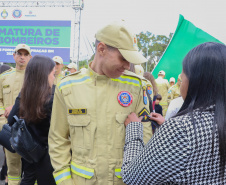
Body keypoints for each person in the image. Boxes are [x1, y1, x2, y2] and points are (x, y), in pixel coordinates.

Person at [48, 21, 153, 185]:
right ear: (101, 49)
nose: (128, 65)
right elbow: (58, 139)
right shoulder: (68, 87)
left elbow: (146, 142)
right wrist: (64, 181)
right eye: (123, 58)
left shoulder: (138, 87)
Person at [121, 42, 226, 184]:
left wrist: (134, 130)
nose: (180, 83)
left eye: (182, 79)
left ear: (196, 82)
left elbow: (133, 178)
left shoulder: (182, 129)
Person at [8, 55, 56, 185]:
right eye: (53, 74)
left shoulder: (25, 93)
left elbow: (11, 121)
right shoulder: (54, 96)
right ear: (44, 74)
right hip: (49, 155)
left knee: (28, 179)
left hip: (28, 149)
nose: (54, 78)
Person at [0, 44, 32, 185]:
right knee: (12, 168)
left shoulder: (34, 76)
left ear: (30, 57)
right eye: (19, 54)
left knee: (32, 167)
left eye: (25, 55)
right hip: (10, 128)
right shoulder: (4, 77)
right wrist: (3, 114)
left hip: (31, 128)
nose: (22, 57)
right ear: (13, 56)